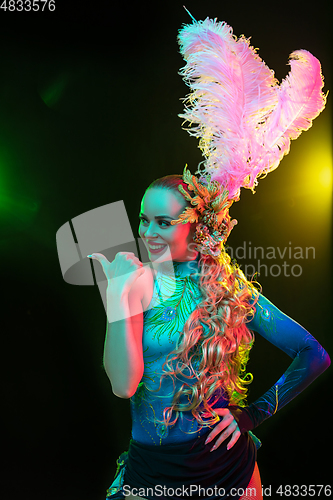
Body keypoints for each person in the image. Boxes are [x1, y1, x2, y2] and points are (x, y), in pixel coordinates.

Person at [87, 15, 330, 500]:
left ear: (193, 228)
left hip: (229, 474)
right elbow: (123, 384)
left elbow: (314, 354)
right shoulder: (132, 279)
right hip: (152, 472)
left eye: (163, 222)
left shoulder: (230, 289)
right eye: (142, 219)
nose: (147, 232)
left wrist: (251, 414)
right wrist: (117, 298)